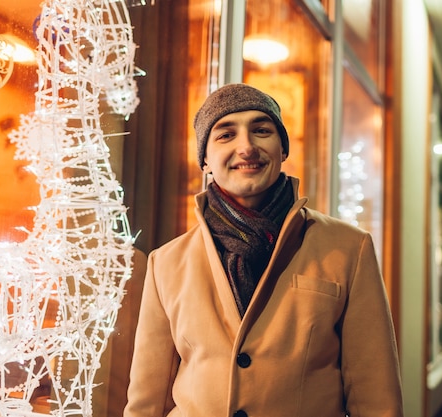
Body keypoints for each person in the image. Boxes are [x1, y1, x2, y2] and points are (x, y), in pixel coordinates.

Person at [124, 83, 403, 417]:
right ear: (205, 160)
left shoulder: (347, 247)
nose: (246, 147)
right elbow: (146, 401)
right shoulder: (166, 262)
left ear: (282, 149)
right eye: (225, 135)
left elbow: (375, 396)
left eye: (261, 130)